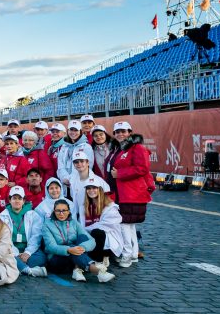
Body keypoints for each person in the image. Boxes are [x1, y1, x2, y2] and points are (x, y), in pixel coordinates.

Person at [106, 121, 153, 267]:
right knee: (129, 225)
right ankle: (133, 254)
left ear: (130, 132)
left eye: (123, 131)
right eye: (117, 132)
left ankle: (127, 255)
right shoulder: (120, 148)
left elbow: (142, 168)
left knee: (124, 224)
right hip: (122, 192)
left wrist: (120, 174)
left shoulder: (137, 147)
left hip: (131, 193)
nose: (120, 134)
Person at [42, 199, 115, 283]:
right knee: (72, 247)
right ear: (54, 211)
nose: (61, 213)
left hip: (73, 256)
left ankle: (77, 269)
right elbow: (50, 246)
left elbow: (92, 241)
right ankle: (97, 272)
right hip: (56, 260)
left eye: (64, 210)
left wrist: (82, 247)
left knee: (82, 237)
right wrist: (69, 249)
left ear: (69, 211)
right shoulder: (47, 224)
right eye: (58, 211)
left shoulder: (74, 222)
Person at [0, 186, 47, 278]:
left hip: (29, 249)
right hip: (10, 250)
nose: (17, 201)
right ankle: (27, 270)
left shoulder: (33, 215)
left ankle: (16, 266)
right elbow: (4, 239)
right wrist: (16, 253)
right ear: (9, 199)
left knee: (41, 258)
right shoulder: (2, 216)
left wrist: (27, 253)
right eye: (14, 198)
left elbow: (36, 236)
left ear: (24, 200)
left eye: (20, 198)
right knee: (4, 256)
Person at [82, 181, 123, 268]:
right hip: (90, 235)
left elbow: (106, 225)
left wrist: (85, 229)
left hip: (107, 239)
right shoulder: (85, 206)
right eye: (88, 188)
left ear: (100, 190)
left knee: (97, 232)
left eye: (94, 188)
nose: (91, 190)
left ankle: (99, 259)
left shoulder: (110, 206)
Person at [57, 120, 93, 188]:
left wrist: (72, 179)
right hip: (64, 182)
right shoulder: (64, 146)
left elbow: (88, 166)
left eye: (76, 130)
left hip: (79, 183)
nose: (73, 133)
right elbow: (60, 165)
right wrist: (64, 178)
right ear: (68, 131)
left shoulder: (86, 147)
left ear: (80, 131)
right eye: (71, 130)